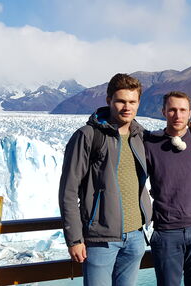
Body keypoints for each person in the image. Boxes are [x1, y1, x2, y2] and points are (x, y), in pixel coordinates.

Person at [58, 73, 152, 286]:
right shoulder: (88, 136)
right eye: (120, 101)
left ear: (138, 103)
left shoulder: (140, 135)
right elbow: (69, 191)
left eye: (132, 102)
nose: (126, 107)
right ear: (109, 100)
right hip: (101, 240)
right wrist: (74, 239)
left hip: (136, 237)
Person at [144, 91, 191, 286]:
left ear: (190, 114)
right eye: (172, 110)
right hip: (167, 233)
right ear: (163, 112)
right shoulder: (150, 144)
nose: (177, 115)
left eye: (183, 110)